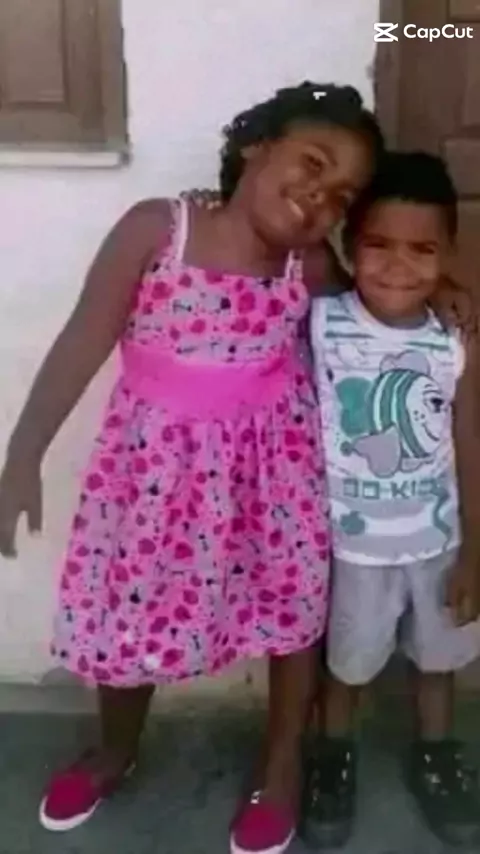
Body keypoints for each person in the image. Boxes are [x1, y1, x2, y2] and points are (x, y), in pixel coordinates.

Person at [0, 82, 384, 854]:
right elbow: (84, 337)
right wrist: (23, 453)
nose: (321, 195)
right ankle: (113, 749)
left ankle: (280, 766)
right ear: (255, 149)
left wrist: (441, 292)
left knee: (292, 606)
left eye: (343, 194)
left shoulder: (308, 264)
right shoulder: (159, 229)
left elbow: (371, 318)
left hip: (274, 474)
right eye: (313, 163)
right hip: (156, 475)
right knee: (132, 608)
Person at [305, 151, 480, 848]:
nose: (398, 266)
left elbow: (469, 440)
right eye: (378, 244)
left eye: (422, 250)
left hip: (438, 542)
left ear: (447, 255)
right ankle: (333, 757)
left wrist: (475, 549)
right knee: (346, 666)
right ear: (350, 245)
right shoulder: (324, 317)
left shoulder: (454, 337)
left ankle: (436, 754)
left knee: (438, 662)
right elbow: (283, 241)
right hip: (353, 548)